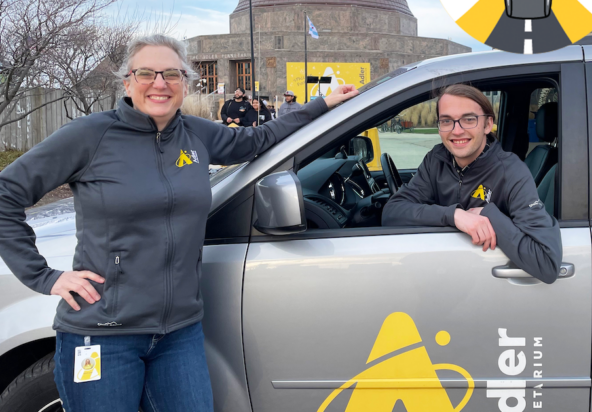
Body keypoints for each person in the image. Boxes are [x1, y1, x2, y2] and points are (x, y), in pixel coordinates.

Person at [0, 34, 358, 412]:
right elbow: (6, 194)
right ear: (127, 82)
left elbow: (259, 139)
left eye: (171, 73)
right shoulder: (90, 136)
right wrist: (45, 276)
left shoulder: (195, 133)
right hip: (104, 335)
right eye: (146, 73)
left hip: (178, 334)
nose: (159, 83)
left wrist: (323, 104)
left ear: (185, 83)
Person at [381, 84, 562, 284]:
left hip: (487, 284)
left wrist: (489, 216)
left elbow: (547, 264)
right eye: (446, 121)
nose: (457, 131)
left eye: (469, 119)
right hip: (439, 276)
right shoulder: (437, 159)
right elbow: (392, 213)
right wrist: (454, 215)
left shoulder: (511, 172)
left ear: (487, 125)